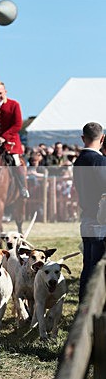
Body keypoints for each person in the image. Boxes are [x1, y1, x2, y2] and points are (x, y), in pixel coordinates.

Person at [72, 122, 106, 301]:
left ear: (83, 138)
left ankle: (83, 303)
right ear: (102, 138)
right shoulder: (99, 161)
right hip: (101, 220)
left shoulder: (78, 161)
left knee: (88, 265)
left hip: (86, 217)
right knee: (98, 266)